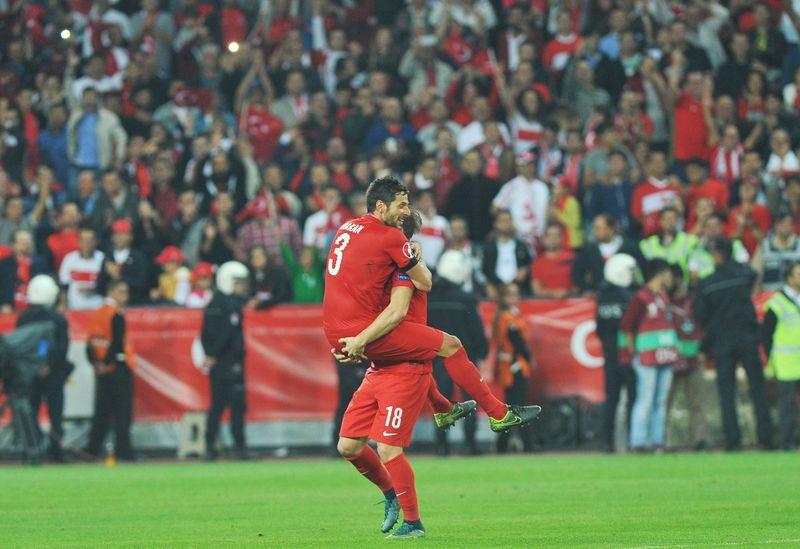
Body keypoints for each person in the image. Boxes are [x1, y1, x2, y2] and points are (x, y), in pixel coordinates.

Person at [335, 211, 476, 539]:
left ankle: (414, 523)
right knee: (348, 446)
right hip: (379, 368)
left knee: (388, 448)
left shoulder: (403, 270)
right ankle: (391, 495)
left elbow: (397, 313)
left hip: (404, 368)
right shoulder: (379, 269)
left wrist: (360, 341)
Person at [694, 239, 774, 450]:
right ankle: (766, 438)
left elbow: (700, 315)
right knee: (758, 389)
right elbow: (754, 274)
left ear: (717, 256)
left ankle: (733, 440)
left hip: (722, 341)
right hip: (747, 337)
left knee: (727, 393)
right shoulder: (743, 275)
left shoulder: (707, 283)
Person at [427, 249, 488, 456]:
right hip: (464, 358)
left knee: (441, 401)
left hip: (435, 358)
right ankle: (469, 444)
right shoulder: (466, 299)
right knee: (470, 399)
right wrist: (482, 351)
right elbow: (476, 330)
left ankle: (441, 445)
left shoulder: (428, 297)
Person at [621, 259, 679, 452]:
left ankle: (657, 442)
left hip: (665, 355)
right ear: (661, 273)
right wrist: (632, 351)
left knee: (660, 401)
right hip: (646, 357)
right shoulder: (641, 297)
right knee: (645, 400)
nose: (671, 278)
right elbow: (627, 325)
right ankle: (637, 442)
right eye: (669, 273)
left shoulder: (663, 296)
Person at [18, 275, 71, 462]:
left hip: (30, 375)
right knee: (55, 414)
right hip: (53, 373)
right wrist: (49, 365)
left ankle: (32, 449)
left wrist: (34, 366)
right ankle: (56, 453)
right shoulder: (58, 319)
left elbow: (21, 348)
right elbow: (62, 348)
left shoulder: (24, 319)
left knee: (31, 413)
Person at [201, 261, 250, 460]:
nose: (243, 286)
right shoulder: (230, 305)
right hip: (229, 361)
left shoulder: (213, 303)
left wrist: (210, 353)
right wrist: (214, 353)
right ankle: (239, 447)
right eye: (239, 282)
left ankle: (210, 445)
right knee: (236, 406)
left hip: (219, 362)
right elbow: (228, 333)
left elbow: (205, 333)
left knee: (217, 406)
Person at [85, 280, 135, 461]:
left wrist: (96, 364)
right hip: (118, 367)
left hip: (101, 370)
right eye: (122, 291)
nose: (125, 296)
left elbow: (90, 343)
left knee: (102, 412)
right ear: (112, 292)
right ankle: (125, 452)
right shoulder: (116, 314)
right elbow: (117, 343)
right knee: (123, 413)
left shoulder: (98, 313)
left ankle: (91, 450)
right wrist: (107, 363)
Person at [596, 254, 638, 453]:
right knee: (632, 398)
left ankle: (607, 442)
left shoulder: (602, 298)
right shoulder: (630, 299)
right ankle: (632, 439)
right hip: (627, 354)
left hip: (610, 354)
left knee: (610, 399)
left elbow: (599, 329)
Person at [761, 261, 800, 450]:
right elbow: (766, 335)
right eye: (798, 274)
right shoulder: (777, 302)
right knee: (787, 406)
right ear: (789, 278)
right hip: (786, 363)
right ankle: (786, 443)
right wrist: (771, 360)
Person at [492, 283, 535, 453]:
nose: (514, 298)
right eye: (510, 295)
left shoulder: (506, 316)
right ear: (503, 298)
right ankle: (525, 444)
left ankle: (503, 444)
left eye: (516, 294)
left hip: (508, 366)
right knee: (518, 406)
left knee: (512, 406)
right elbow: (518, 343)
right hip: (513, 367)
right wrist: (528, 358)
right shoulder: (508, 318)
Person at [58, 226, 105, 311]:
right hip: (75, 309)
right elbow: (64, 285)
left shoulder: (102, 259)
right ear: (79, 242)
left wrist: (94, 289)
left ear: (95, 242)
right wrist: (63, 304)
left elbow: (108, 285)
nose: (86, 243)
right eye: (83, 240)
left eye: (90, 240)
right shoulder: (69, 258)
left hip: (97, 308)